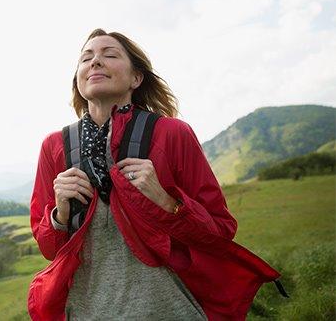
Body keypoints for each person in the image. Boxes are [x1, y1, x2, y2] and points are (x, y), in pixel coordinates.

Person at [27, 29, 284, 320]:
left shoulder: (173, 133)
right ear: (78, 79)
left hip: (170, 310)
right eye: (86, 58)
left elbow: (220, 231)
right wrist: (59, 215)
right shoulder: (54, 147)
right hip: (86, 313)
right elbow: (50, 249)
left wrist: (166, 201)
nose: (95, 61)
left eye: (109, 54)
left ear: (136, 78)